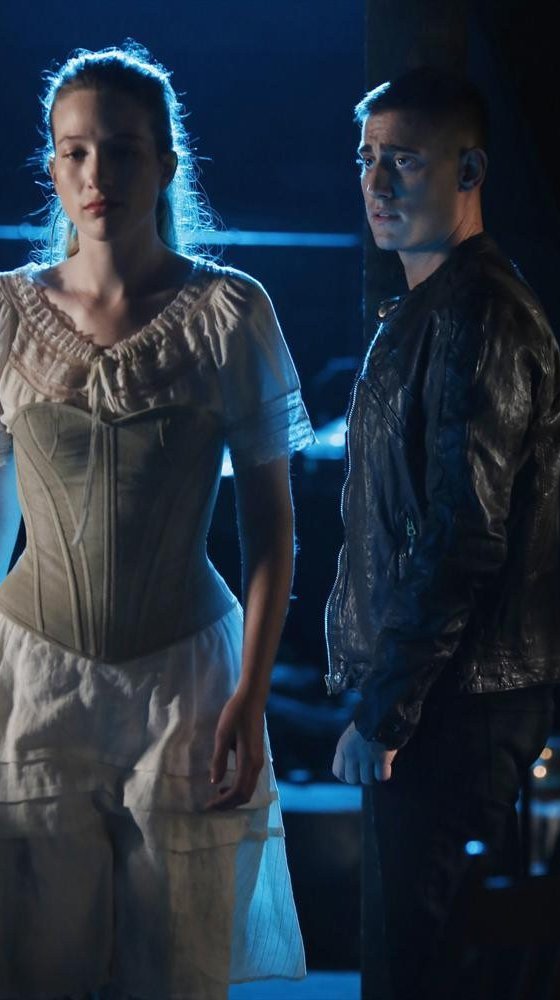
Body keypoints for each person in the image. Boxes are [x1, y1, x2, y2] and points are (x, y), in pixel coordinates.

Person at [0, 43, 311, 1000]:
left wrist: (251, 693)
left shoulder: (229, 312)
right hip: (34, 673)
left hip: (185, 679)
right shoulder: (7, 314)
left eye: (123, 150)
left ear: (167, 163)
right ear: (54, 166)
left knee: (172, 971)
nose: (98, 174)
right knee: (38, 964)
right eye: (76, 152)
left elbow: (271, 530)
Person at [327, 66, 560, 997]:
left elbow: (462, 534)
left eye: (404, 161)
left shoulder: (479, 313)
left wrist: (386, 708)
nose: (376, 183)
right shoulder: (432, 308)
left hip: (459, 706)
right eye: (366, 159)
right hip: (446, 698)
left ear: (469, 170)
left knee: (425, 974)